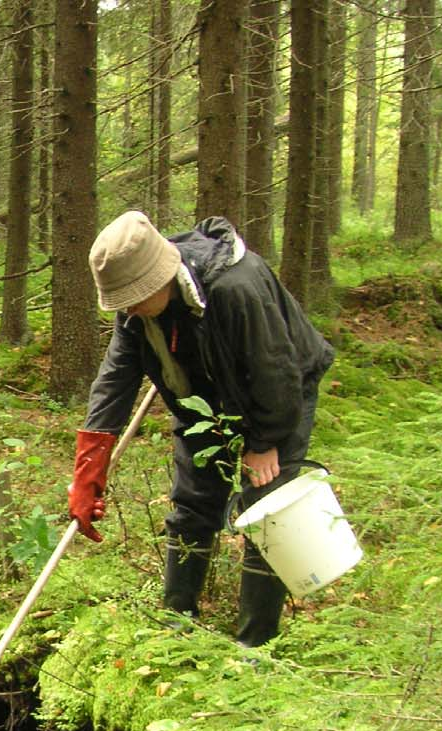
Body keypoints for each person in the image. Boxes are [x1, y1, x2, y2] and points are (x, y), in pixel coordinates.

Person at [68, 210, 335, 647]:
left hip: (279, 393)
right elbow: (115, 380)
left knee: (266, 511)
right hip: (201, 397)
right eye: (121, 302)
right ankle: (178, 621)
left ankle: (255, 644)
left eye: (134, 297)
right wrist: (89, 470)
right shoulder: (137, 313)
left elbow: (277, 369)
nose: (127, 309)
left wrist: (264, 441)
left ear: (162, 277)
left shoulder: (235, 286)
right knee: (193, 500)